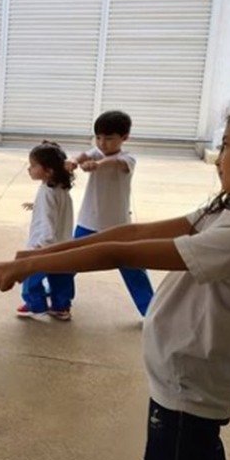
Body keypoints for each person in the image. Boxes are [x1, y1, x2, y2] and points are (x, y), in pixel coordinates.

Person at [0, 103, 230, 460]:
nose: (218, 156)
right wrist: (40, 256)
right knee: (199, 453)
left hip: (188, 384)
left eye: (228, 145)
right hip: (197, 380)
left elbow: (120, 254)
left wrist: (34, 263)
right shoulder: (228, 210)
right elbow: (130, 235)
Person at [67, 110, 153, 316]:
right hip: (88, 222)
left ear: (124, 138)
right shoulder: (96, 151)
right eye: (98, 137)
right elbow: (83, 155)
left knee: (133, 270)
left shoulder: (127, 158)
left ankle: (152, 311)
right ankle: (57, 299)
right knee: (68, 262)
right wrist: (72, 161)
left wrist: (97, 165)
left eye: (109, 138)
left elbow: (114, 163)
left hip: (118, 226)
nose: (102, 143)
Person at [17, 141, 74, 320]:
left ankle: (36, 304)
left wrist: (41, 246)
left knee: (30, 278)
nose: (29, 169)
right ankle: (62, 307)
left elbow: (48, 221)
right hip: (63, 244)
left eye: (33, 166)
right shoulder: (60, 189)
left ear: (48, 171)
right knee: (61, 278)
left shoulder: (48, 192)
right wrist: (36, 206)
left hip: (45, 245)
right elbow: (55, 211)